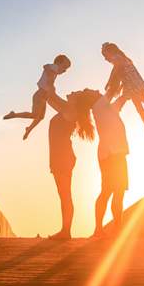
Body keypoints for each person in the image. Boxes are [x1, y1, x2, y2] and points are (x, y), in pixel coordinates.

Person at [61, 88, 129, 237]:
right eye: (89, 90)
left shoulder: (104, 108)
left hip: (111, 154)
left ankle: (102, 229)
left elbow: (120, 99)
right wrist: (120, 66)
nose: (95, 89)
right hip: (113, 154)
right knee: (115, 192)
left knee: (110, 192)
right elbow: (113, 87)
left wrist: (127, 92)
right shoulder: (100, 105)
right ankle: (112, 230)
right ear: (90, 98)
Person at [44, 90, 93, 239]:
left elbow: (50, 97)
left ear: (76, 101)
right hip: (59, 157)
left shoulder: (69, 110)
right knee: (63, 194)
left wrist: (52, 73)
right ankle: (65, 230)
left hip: (62, 157)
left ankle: (66, 231)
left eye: (74, 93)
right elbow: (49, 98)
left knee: (65, 195)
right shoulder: (67, 109)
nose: (71, 92)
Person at [4, 54, 72, 140]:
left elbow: (47, 70)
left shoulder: (54, 71)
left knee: (40, 117)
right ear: (59, 63)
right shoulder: (54, 67)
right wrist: (50, 80)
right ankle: (14, 115)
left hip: (43, 97)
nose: (64, 71)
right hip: (40, 95)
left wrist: (51, 83)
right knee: (34, 115)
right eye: (64, 67)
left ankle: (28, 129)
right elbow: (46, 67)